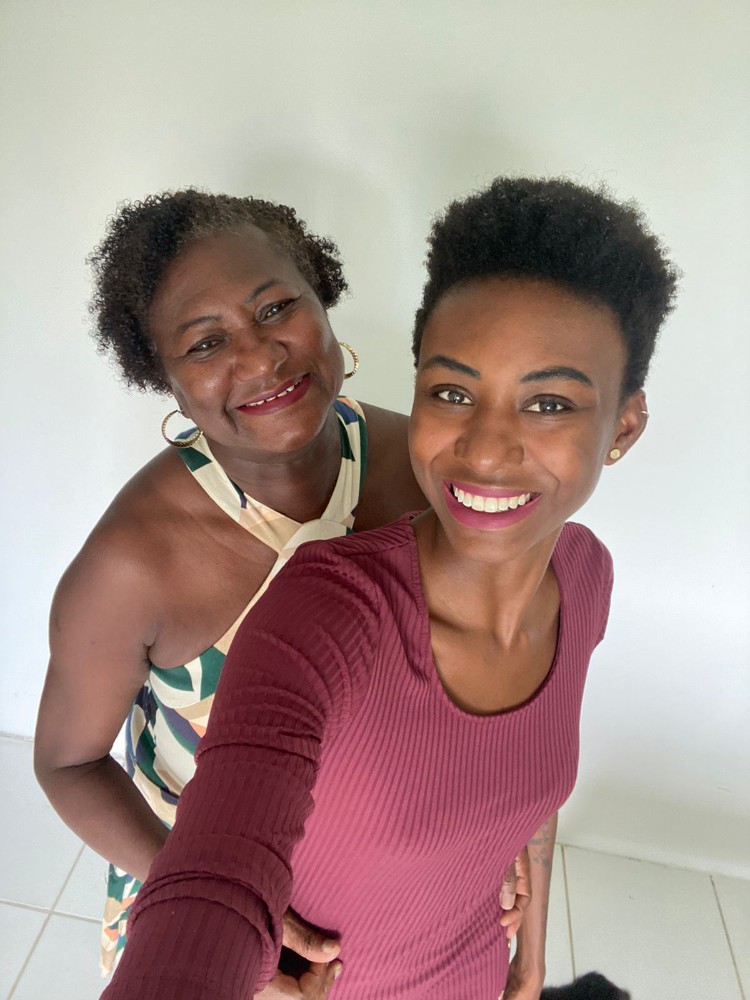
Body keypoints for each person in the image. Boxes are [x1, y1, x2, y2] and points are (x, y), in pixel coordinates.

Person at [100, 175, 678, 1000]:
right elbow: (219, 869)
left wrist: (531, 961)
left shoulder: (584, 578)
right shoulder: (320, 607)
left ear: (623, 426)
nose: (486, 448)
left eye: (548, 402)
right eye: (452, 392)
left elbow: (526, 794)